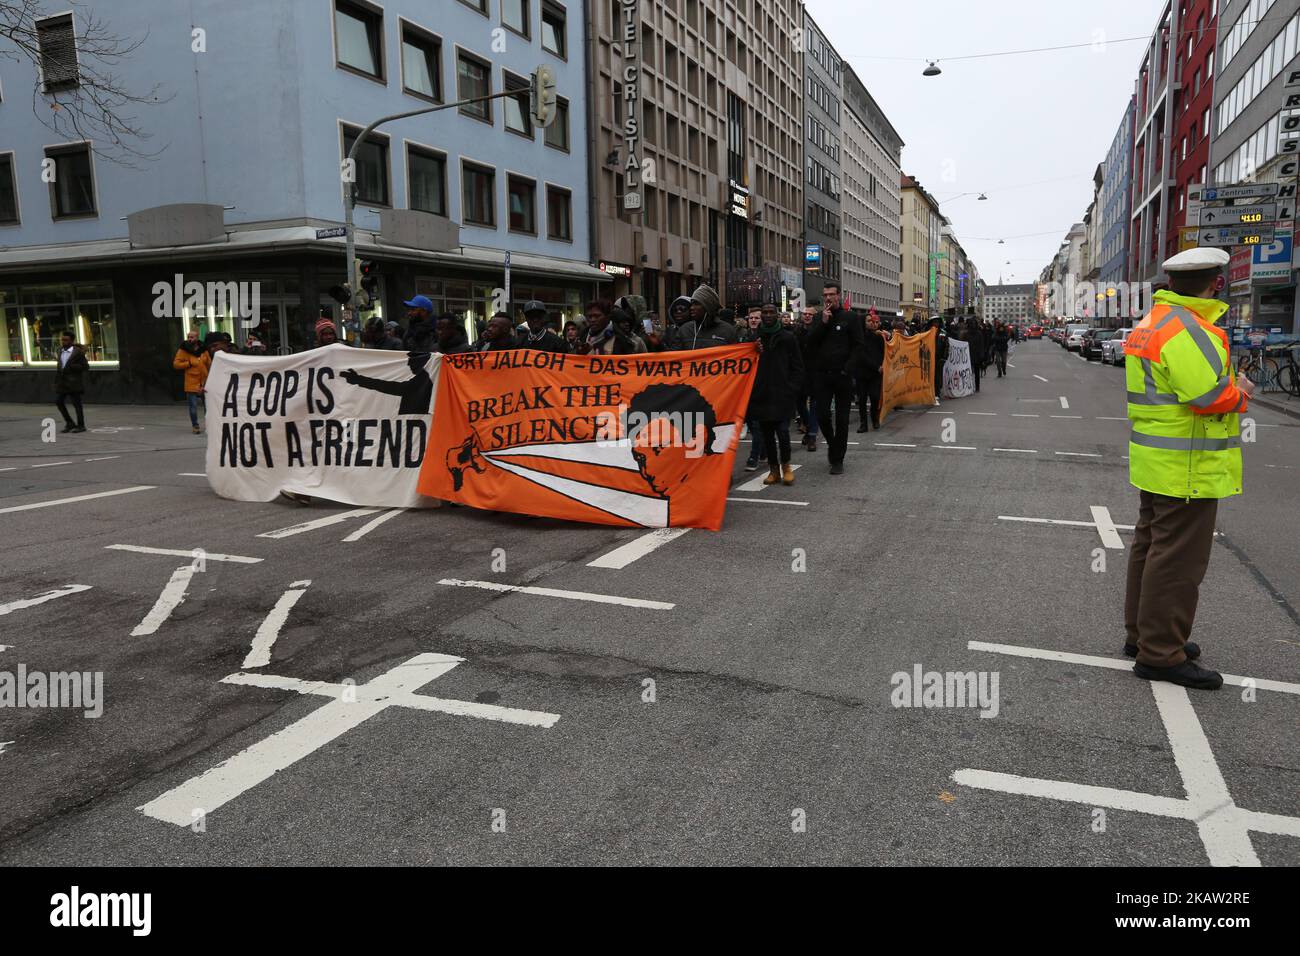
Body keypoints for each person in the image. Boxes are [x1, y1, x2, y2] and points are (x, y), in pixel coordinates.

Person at [1123, 247, 1252, 691]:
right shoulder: (1186, 328)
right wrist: (1242, 393)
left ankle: (1143, 636)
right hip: (1187, 463)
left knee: (1151, 547)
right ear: (1216, 282)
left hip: (1158, 459)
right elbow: (1208, 396)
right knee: (1177, 559)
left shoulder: (1153, 322)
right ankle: (1160, 652)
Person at [807, 283, 865, 474]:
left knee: (842, 419)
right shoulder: (818, 318)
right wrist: (823, 323)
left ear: (839, 296)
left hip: (842, 376)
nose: (828, 298)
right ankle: (833, 445)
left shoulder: (851, 317)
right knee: (822, 414)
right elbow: (811, 343)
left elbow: (858, 345)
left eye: (832, 294)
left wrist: (848, 368)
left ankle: (837, 459)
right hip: (823, 375)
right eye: (825, 295)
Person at [748, 302, 804, 486]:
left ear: (777, 315)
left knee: (783, 432)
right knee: (767, 436)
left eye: (771, 312)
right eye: (765, 312)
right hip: (762, 394)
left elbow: (797, 365)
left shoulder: (788, 337)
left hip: (783, 393)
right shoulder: (753, 338)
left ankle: (786, 467)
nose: (768, 315)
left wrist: (793, 388)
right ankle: (773, 470)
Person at [672, 284, 739, 350]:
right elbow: (673, 356)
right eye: (692, 304)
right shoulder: (684, 330)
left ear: (708, 306)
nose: (691, 308)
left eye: (696, 304)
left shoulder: (728, 331)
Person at [793, 305, 820, 452]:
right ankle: (810, 426)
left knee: (815, 405)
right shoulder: (796, 331)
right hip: (800, 372)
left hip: (815, 372)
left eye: (810, 314)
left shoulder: (819, 330)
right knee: (799, 403)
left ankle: (812, 436)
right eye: (805, 314)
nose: (807, 316)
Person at [173, 330, 210, 434]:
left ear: (197, 338)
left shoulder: (204, 349)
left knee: (208, 407)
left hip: (205, 382)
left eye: (192, 337)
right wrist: (188, 363)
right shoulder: (183, 349)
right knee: (193, 408)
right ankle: (195, 426)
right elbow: (176, 364)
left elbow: (209, 363)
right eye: (189, 337)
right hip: (191, 382)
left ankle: (210, 425)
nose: (190, 339)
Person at [576, 300, 643, 355]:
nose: (593, 320)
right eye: (590, 317)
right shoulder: (582, 338)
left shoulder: (622, 340)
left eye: (597, 316)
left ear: (607, 317)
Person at [54, 331, 88, 433]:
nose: (63, 342)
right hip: (62, 382)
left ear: (71, 341)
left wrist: (73, 367)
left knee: (77, 404)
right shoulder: (60, 350)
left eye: (66, 340)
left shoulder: (78, 352)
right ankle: (69, 423)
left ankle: (81, 425)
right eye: (62, 340)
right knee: (59, 402)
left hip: (74, 383)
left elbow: (85, 367)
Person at [858, 307, 886, 432]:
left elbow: (886, 352)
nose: (872, 323)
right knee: (862, 399)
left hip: (876, 374)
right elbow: (862, 356)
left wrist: (888, 337)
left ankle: (875, 418)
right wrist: (877, 366)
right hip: (862, 373)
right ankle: (863, 423)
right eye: (868, 321)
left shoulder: (880, 336)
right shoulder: (859, 337)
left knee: (875, 397)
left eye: (873, 321)